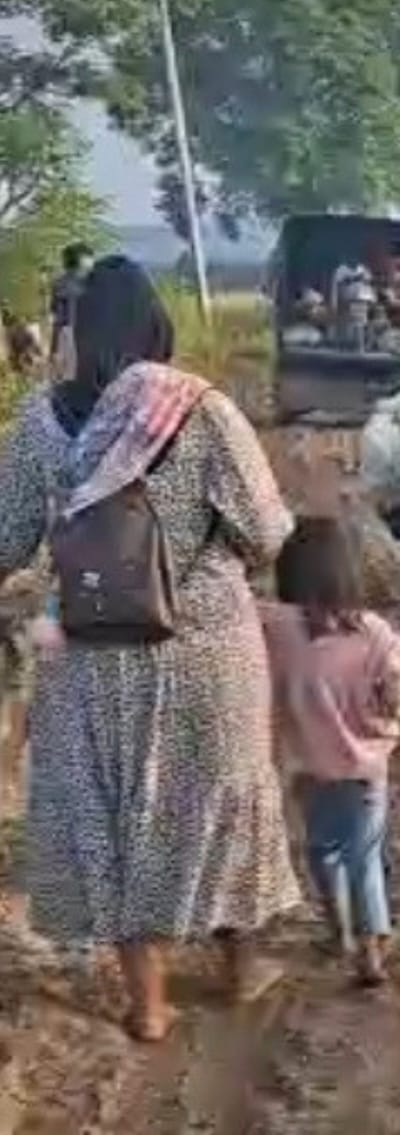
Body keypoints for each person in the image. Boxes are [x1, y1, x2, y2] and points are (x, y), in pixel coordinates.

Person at [0, 255, 301, 1042]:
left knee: (115, 813)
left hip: (89, 649)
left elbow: (5, 541)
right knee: (220, 799)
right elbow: (267, 535)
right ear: (155, 326)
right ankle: (241, 969)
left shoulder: (37, 424)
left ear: (73, 331)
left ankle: (149, 1004)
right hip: (205, 646)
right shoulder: (200, 409)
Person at [260, 517, 400, 987]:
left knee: (322, 852)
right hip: (366, 770)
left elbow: (237, 608)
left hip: (308, 768)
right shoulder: (378, 634)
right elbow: (397, 699)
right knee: (364, 855)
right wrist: (386, 723)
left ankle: (338, 933)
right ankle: (371, 950)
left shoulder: (279, 627)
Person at [47, 242, 93, 378]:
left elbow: (57, 318)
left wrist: (53, 349)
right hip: (84, 336)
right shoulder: (91, 283)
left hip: (66, 336)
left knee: (65, 381)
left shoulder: (59, 283)